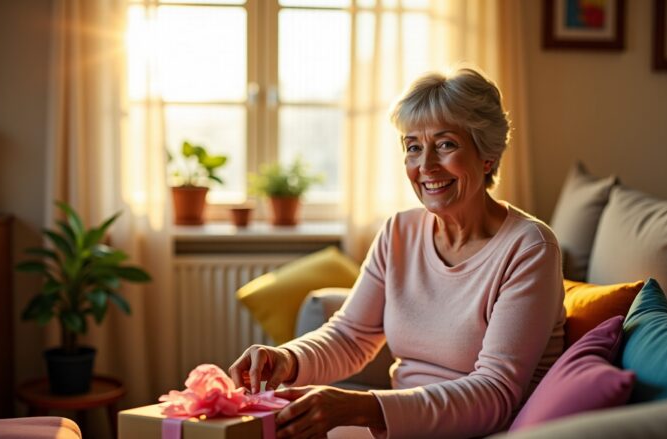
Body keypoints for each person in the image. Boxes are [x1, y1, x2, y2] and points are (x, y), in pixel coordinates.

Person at [229, 67, 566, 439]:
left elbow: (495, 392)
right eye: (413, 147)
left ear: (487, 155)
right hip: (399, 426)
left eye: (446, 144)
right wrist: (286, 359)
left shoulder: (530, 247)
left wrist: (362, 407)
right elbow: (350, 336)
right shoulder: (399, 232)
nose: (426, 166)